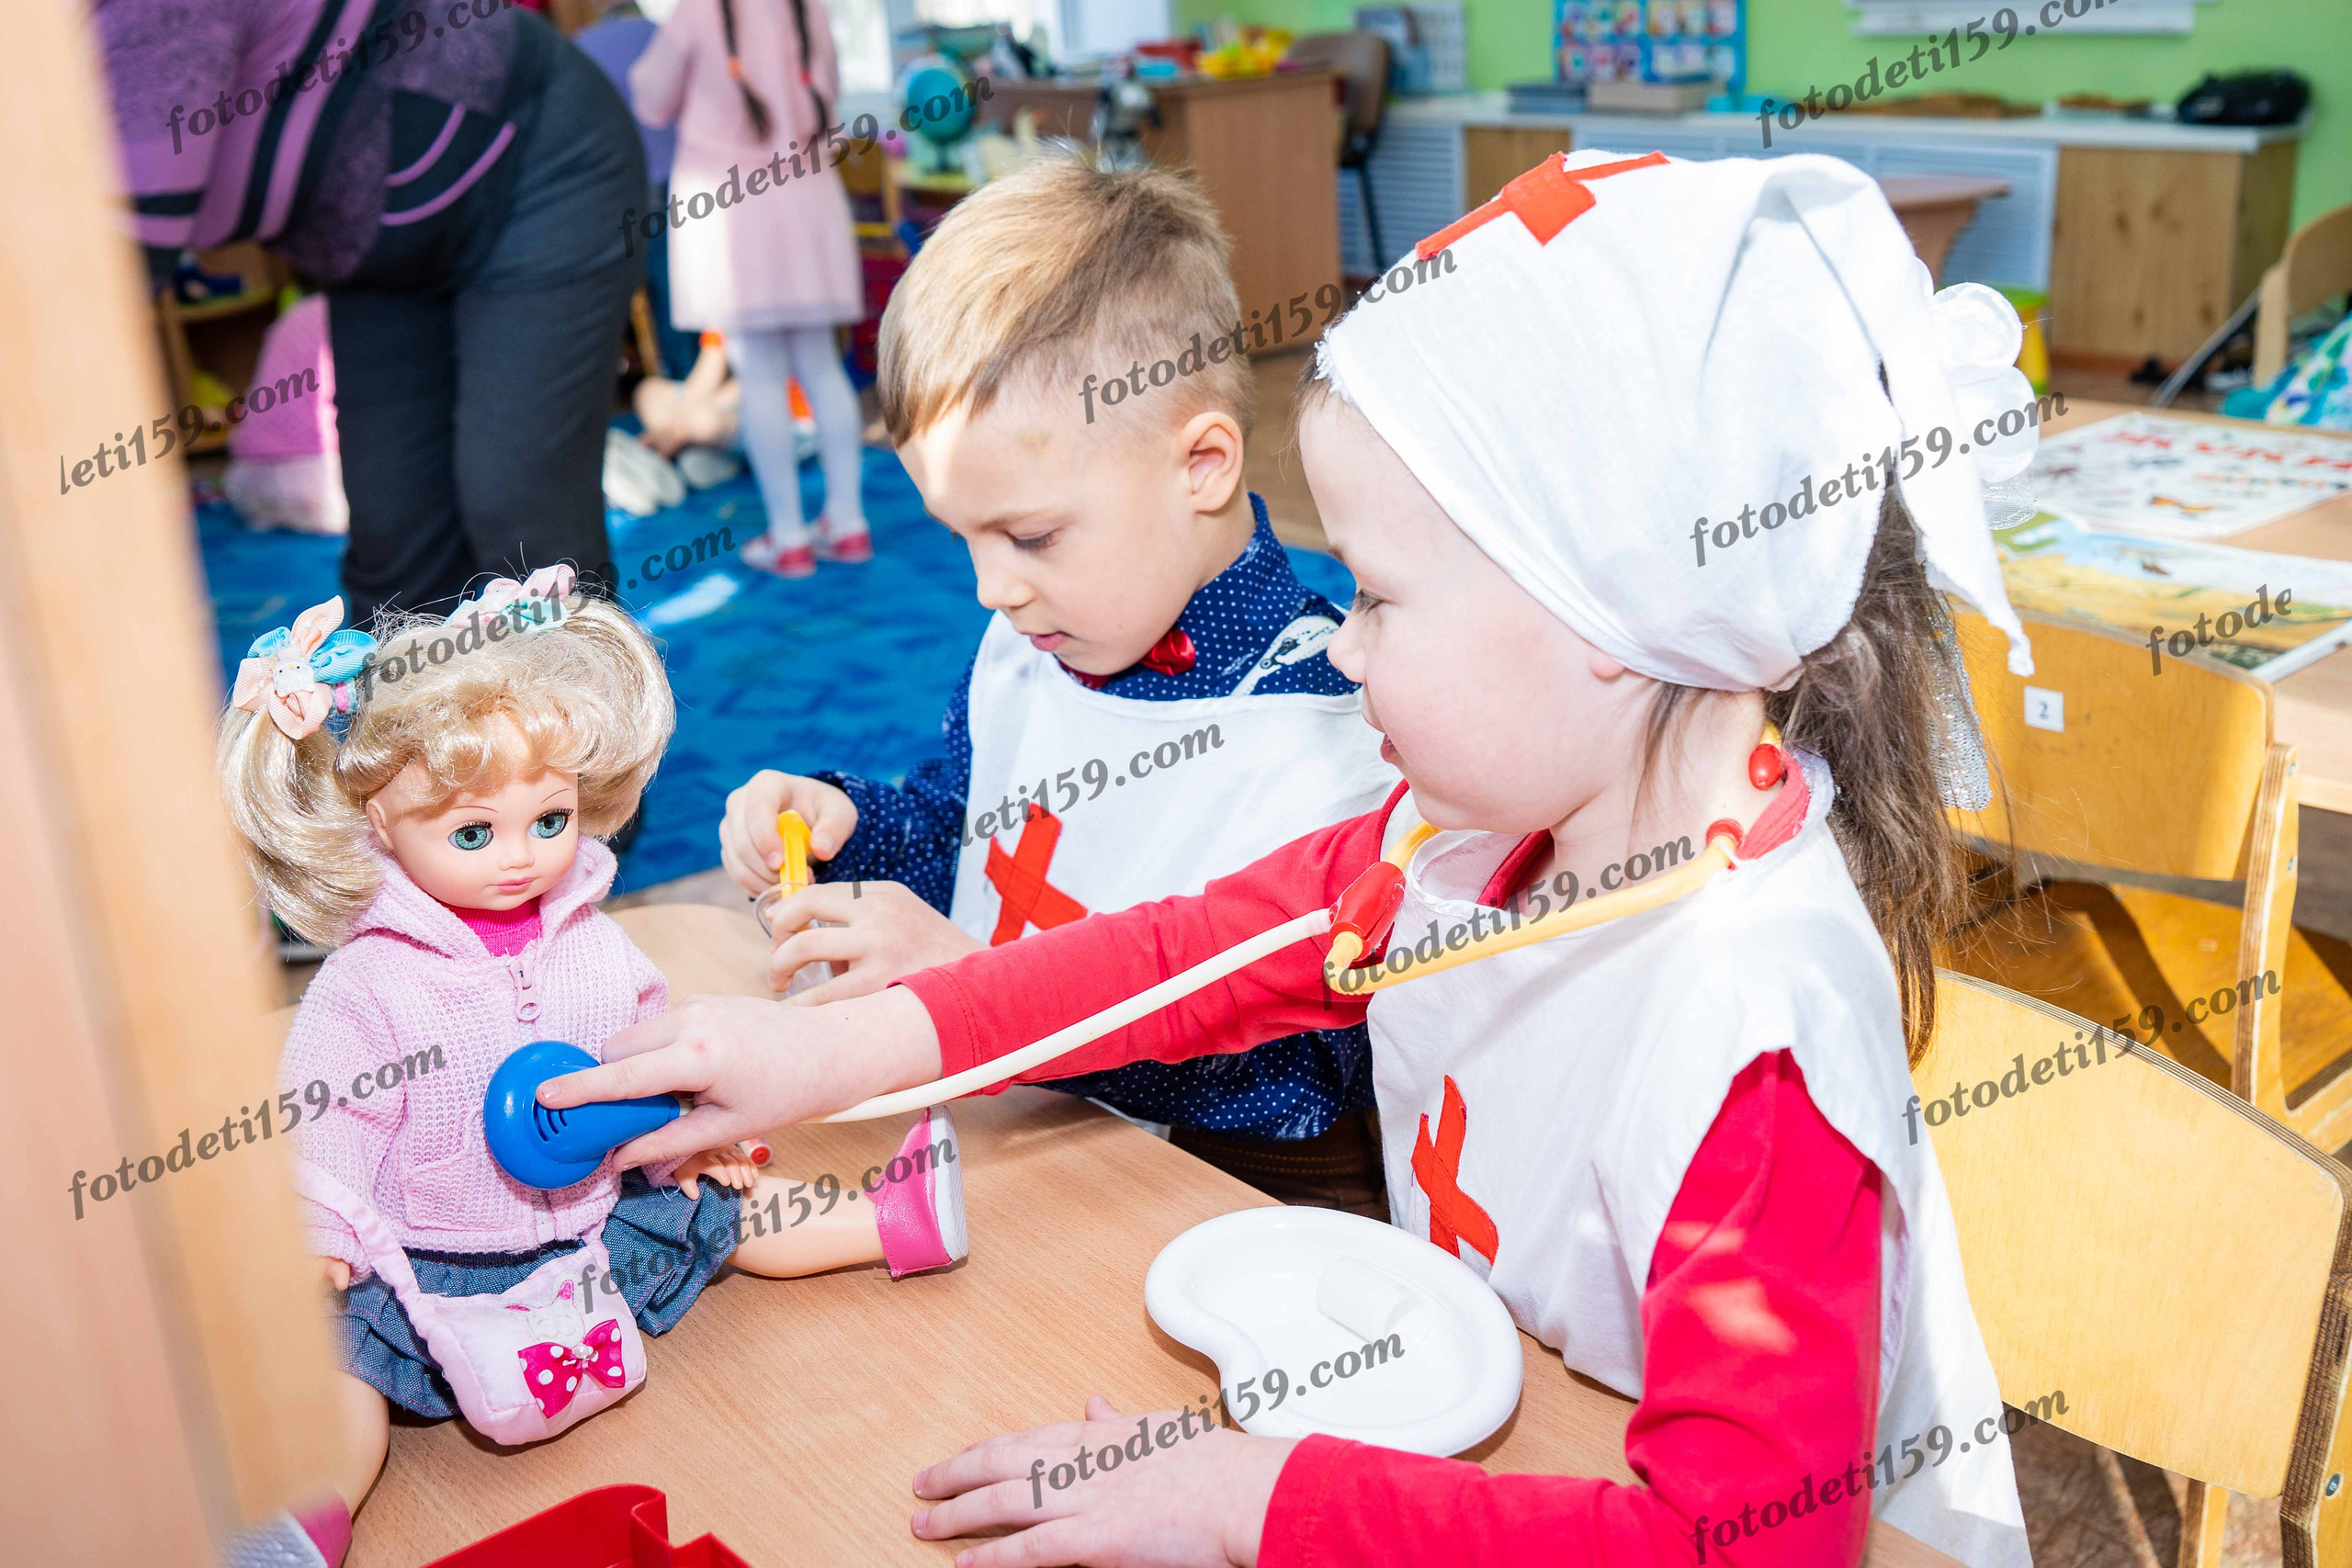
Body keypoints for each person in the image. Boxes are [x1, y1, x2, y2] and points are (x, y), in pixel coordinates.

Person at [544, 150, 2051, 1567]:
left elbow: (1738, 1542)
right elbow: (1161, 963)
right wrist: (815, 1057)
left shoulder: (1757, 1041)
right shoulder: (1464, 840)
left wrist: (1250, 1498)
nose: (1344, 640)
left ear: (1608, 612)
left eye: (1381, 594)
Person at [212, 576, 965, 1566]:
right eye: (473, 832)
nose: (520, 858)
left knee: (728, 1210)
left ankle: (894, 1221)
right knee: (346, 1367)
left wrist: (696, 1134)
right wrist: (320, 1236)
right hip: (427, 1263)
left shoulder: (594, 946)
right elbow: (327, 1126)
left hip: (591, 1221)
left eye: (550, 818)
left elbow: (650, 1060)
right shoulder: (369, 985)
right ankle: (309, 1517)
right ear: (376, 823)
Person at [715, 157, 1399, 1208]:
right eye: (963, 537)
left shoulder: (1329, 736)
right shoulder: (1037, 636)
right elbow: (970, 832)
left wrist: (978, 988)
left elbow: (1296, 1078)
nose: (992, 589)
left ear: (1202, 466)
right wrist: (850, 826)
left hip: (1191, 1196)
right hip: (997, 1138)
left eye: (1030, 536)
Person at [96, 0, 646, 624]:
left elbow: (114, 273)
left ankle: (580, 685)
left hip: (540, 168)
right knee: (395, 549)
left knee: (522, 516)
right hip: (373, 256)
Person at [629, 0, 870, 576]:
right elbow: (828, 100)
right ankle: (848, 522)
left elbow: (650, 99)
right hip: (807, 202)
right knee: (821, 364)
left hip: (735, 211)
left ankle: (789, 537)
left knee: (759, 373)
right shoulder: (807, 9)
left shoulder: (699, 12)